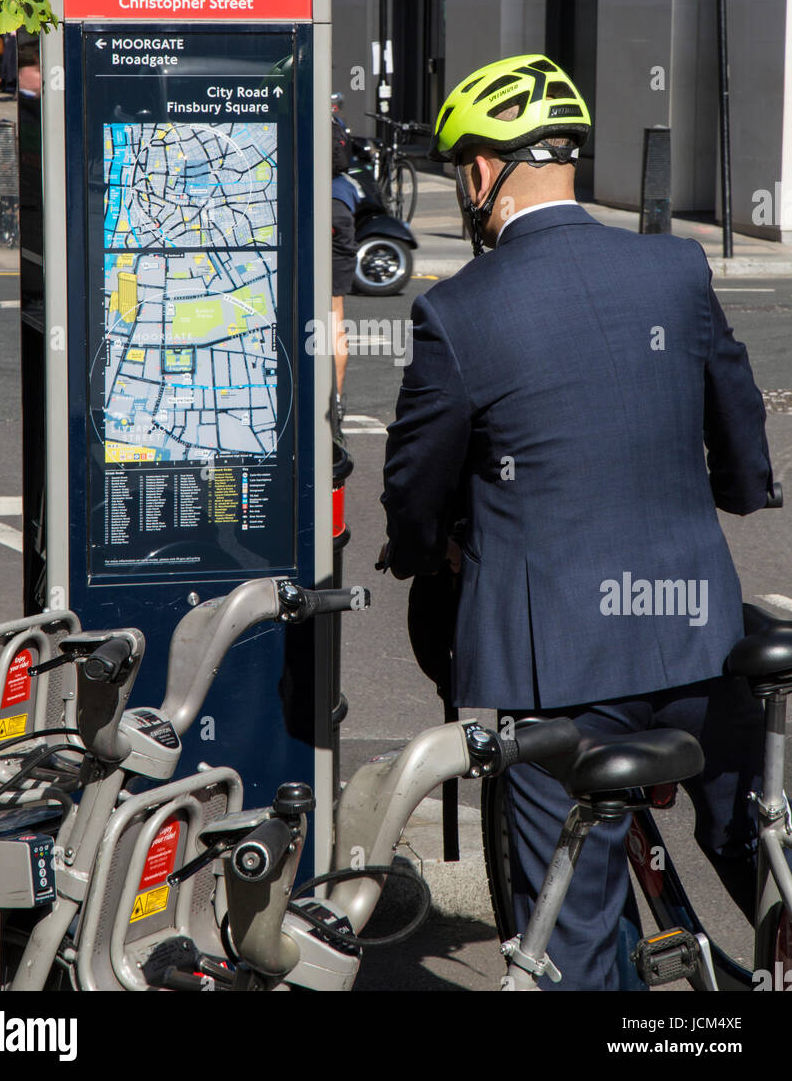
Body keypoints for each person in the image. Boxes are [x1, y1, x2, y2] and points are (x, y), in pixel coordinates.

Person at [380, 53, 774, 990]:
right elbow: (743, 432)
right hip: (699, 635)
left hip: (562, 670)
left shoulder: (460, 310)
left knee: (571, 927)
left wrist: (421, 547)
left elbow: (416, 482)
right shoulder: (674, 267)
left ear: (481, 172)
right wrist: (720, 489)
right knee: (755, 842)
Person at [331, 93, 361, 431]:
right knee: (334, 313)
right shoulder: (345, 182)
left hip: (308, 203)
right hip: (339, 212)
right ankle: (335, 400)